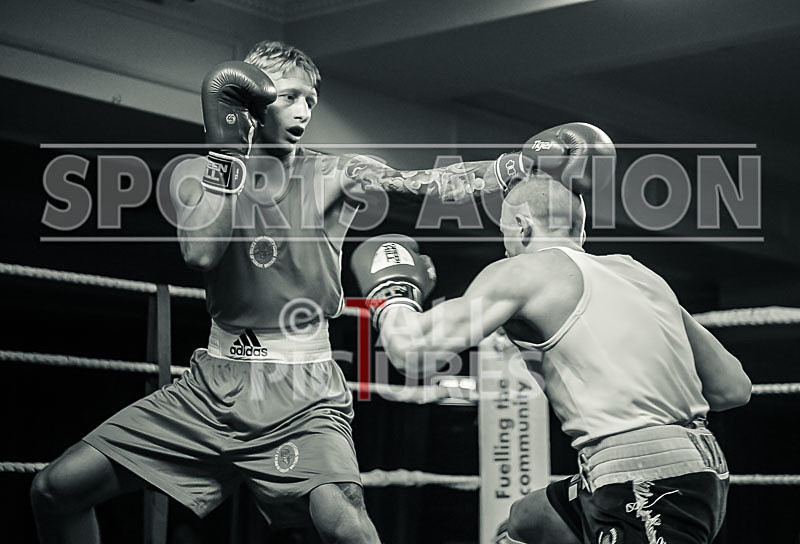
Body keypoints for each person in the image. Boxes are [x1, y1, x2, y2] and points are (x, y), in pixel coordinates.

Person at [28, 36, 612, 542]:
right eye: (287, 96)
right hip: (210, 383)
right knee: (54, 490)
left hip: (300, 386)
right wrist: (230, 149)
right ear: (250, 101)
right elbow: (201, 252)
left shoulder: (334, 171)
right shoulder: (199, 172)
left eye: (311, 97)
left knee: (346, 523)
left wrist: (511, 167)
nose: (304, 108)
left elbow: (422, 186)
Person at [350, 173, 752, 543]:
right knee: (525, 523)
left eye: (505, 230)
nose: (505, 243)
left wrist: (392, 292)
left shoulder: (524, 271)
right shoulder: (638, 272)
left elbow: (412, 351)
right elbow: (733, 387)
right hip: (697, 468)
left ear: (522, 226)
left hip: (645, 483)